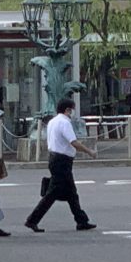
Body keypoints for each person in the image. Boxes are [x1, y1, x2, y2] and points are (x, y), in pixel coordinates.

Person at [24, 97, 98, 232]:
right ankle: (32, 220)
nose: (72, 113)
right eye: (71, 110)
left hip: (55, 158)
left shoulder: (52, 121)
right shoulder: (64, 123)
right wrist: (89, 151)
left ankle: (81, 220)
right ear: (67, 110)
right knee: (52, 194)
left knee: (72, 194)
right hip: (62, 161)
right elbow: (73, 142)